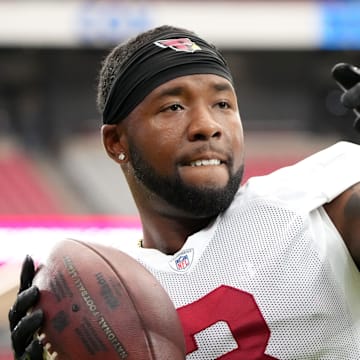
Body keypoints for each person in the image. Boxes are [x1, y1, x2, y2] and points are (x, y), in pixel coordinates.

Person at [8, 25, 360, 359]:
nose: (208, 126)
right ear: (116, 142)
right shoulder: (102, 291)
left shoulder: (312, 200)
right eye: (173, 107)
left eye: (222, 104)